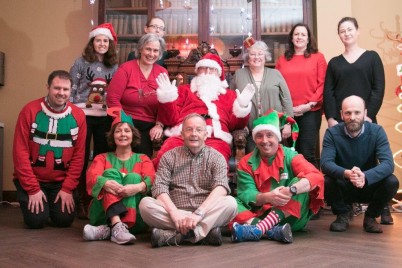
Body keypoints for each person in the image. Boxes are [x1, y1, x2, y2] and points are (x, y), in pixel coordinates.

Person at [139, 113, 238, 247]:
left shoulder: (217, 157)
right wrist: (175, 214)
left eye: (198, 130)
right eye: (189, 129)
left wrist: (198, 214)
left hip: (204, 212)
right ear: (182, 134)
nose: (194, 133)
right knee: (145, 205)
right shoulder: (169, 157)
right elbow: (159, 187)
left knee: (231, 204)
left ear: (206, 134)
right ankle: (204, 233)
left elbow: (221, 188)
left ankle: (176, 236)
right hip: (175, 212)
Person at [230, 110, 324, 244]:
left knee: (300, 184)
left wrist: (291, 190)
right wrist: (268, 197)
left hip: (292, 215)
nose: (264, 141)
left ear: (277, 137)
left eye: (269, 135)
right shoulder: (245, 162)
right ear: (255, 139)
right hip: (261, 214)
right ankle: (271, 231)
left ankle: (258, 229)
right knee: (232, 203)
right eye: (259, 136)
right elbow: (246, 193)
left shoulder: (291, 156)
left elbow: (316, 176)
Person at [153, 52, 255, 168]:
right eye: (203, 68)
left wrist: (242, 106)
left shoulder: (229, 95)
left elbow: (235, 125)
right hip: (183, 134)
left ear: (218, 73)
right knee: (165, 157)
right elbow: (171, 119)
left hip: (214, 137)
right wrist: (167, 98)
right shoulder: (184, 91)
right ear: (197, 71)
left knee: (216, 163)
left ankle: (214, 187)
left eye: (211, 69)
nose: (207, 72)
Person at [13, 70, 86, 229]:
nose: (61, 93)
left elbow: (79, 156)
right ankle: (36, 204)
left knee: (64, 220)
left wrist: (67, 188)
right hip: (34, 179)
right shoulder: (29, 110)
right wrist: (32, 189)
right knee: (36, 220)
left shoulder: (79, 116)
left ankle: (50, 206)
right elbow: (20, 154)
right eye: (57, 88)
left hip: (60, 182)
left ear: (71, 90)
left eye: (65, 89)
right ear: (48, 87)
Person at [321, 95, 399, 233]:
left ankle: (370, 217)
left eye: (357, 112)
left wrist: (365, 176)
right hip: (344, 185)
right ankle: (343, 214)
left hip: (369, 185)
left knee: (392, 181)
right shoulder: (332, 133)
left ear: (365, 113)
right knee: (325, 180)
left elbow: (388, 164)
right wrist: (347, 173)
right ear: (341, 114)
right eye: (348, 113)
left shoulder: (377, 131)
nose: (352, 117)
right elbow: (326, 163)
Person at [82, 107, 155, 245]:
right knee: (109, 175)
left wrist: (137, 187)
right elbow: (91, 177)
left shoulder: (143, 158)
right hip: (101, 213)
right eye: (118, 131)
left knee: (134, 178)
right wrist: (105, 183)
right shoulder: (101, 158)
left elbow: (151, 179)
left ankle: (106, 230)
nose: (123, 134)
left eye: (127, 131)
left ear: (133, 135)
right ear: (112, 135)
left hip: (136, 218)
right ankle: (117, 225)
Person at [70, 23, 119, 219]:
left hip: (104, 117)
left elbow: (115, 92)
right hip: (82, 114)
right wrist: (72, 111)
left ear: (110, 44)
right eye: (98, 40)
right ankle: (79, 199)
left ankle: (96, 199)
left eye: (105, 40)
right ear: (93, 42)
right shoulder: (81, 62)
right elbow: (72, 87)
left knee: (100, 158)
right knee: (80, 158)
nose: (102, 43)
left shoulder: (114, 66)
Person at [107, 33, 167, 158]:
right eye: (148, 49)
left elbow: (166, 103)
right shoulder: (126, 68)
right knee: (122, 158)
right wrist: (123, 123)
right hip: (125, 121)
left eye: (155, 50)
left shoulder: (162, 72)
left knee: (142, 161)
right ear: (140, 49)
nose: (151, 54)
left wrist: (159, 125)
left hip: (149, 125)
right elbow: (112, 98)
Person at [276, 23, 327, 168]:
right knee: (291, 155)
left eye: (303, 34)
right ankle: (297, 190)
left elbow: (322, 84)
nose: (299, 37)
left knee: (307, 153)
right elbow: (278, 88)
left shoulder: (318, 57)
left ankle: (315, 189)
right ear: (291, 38)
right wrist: (287, 113)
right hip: (288, 114)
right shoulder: (282, 60)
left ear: (308, 39)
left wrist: (308, 105)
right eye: (296, 34)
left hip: (310, 111)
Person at [230, 39, 293, 152]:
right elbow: (230, 102)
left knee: (274, 160)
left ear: (265, 56)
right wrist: (238, 124)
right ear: (247, 57)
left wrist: (288, 124)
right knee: (254, 163)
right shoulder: (239, 75)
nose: (256, 57)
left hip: (274, 127)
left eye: (260, 54)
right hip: (249, 130)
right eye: (252, 54)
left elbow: (286, 100)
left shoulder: (276, 74)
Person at [323, 17, 385, 128]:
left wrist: (369, 115)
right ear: (339, 35)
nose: (346, 33)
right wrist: (331, 118)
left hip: (366, 120)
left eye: (350, 29)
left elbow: (378, 89)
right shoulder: (334, 63)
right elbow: (328, 93)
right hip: (340, 121)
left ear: (358, 31)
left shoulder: (372, 57)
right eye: (342, 31)